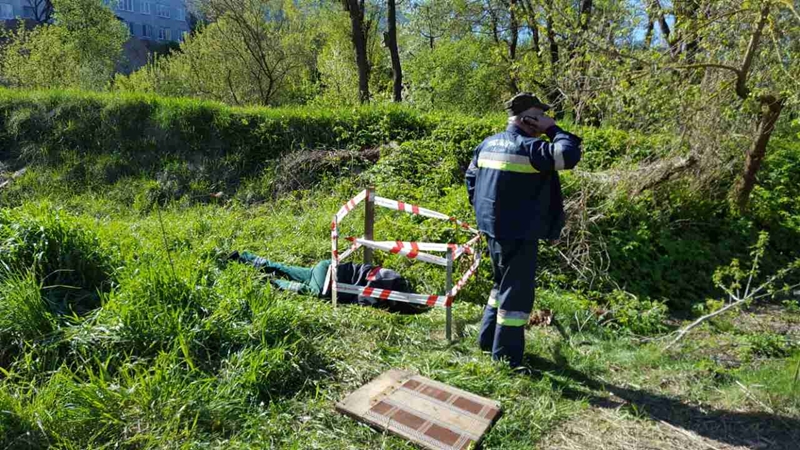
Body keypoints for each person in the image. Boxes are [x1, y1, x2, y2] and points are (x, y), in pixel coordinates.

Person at [465, 93, 582, 367]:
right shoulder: (531, 148)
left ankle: (487, 341)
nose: (545, 119)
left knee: (501, 286)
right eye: (540, 116)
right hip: (519, 232)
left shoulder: (487, 144)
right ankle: (506, 359)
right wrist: (552, 129)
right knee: (516, 296)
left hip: (492, 229)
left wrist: (486, 215)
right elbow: (568, 155)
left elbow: (471, 179)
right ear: (527, 119)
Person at [227, 251, 422, 313]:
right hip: (329, 283)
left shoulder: (390, 275)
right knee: (310, 291)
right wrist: (381, 306)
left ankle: (244, 258)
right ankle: (269, 283)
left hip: (326, 267)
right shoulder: (389, 284)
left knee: (286, 269)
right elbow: (363, 299)